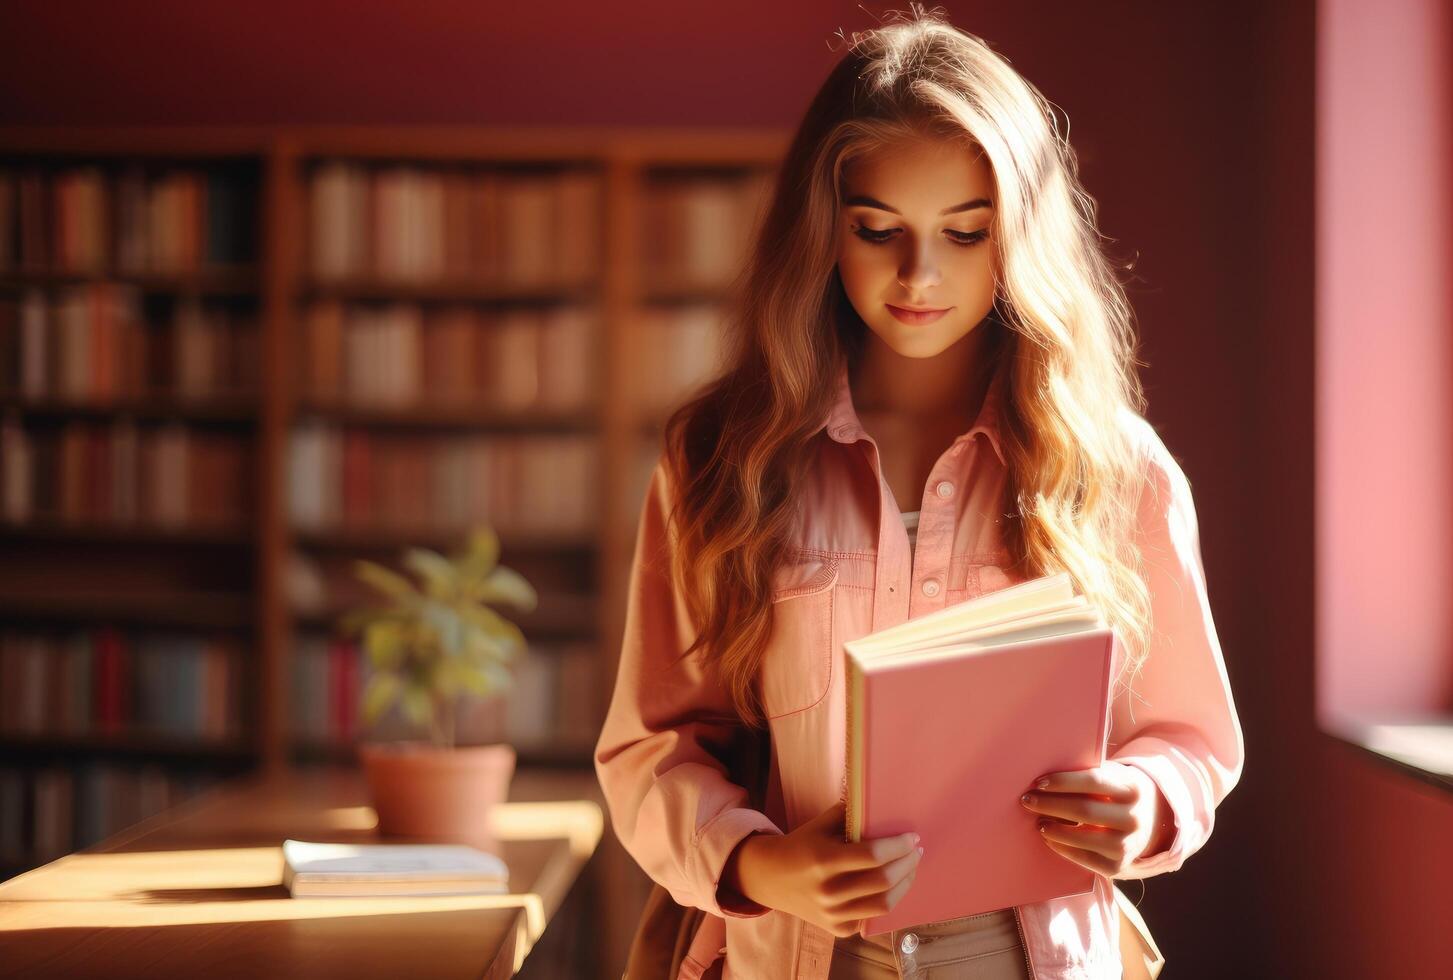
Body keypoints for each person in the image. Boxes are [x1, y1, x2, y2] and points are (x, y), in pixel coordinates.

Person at [593, 6, 1244, 979]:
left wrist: (1143, 798)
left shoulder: (1118, 469)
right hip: (796, 952)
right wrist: (763, 863)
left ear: (1017, 237)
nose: (919, 274)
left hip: (1028, 956)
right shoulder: (722, 460)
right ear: (824, 229)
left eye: (965, 232)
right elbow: (651, 745)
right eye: (877, 228)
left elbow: (1190, 737)